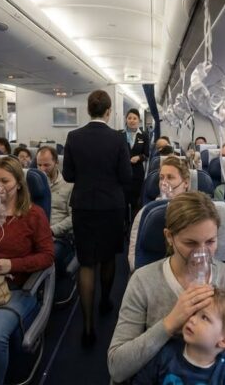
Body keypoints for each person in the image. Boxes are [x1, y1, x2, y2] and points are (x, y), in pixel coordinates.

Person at [108, 192, 225, 383]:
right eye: (191, 243)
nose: (202, 252)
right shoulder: (143, 280)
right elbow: (117, 367)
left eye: (211, 242)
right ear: (169, 237)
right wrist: (170, 323)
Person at [63, 90, 131, 347]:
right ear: (108, 111)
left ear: (88, 110)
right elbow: (126, 176)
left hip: (82, 207)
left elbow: (68, 175)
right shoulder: (117, 139)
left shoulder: (73, 137)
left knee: (86, 263)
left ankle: (88, 327)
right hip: (111, 206)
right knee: (108, 257)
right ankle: (105, 301)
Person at [0, 158, 54, 385]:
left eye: (4, 180)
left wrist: (13, 264)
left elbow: (48, 256)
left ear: (18, 183)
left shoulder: (33, 214)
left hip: (18, 288)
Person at [132, 288, 225, 385]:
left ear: (224, 340)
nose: (192, 319)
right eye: (194, 313)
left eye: (204, 318)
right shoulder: (164, 354)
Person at [128, 156, 190, 272]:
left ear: (185, 183)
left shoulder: (196, 211)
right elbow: (133, 254)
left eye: (170, 177)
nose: (164, 183)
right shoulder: (148, 212)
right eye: (161, 178)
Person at [36, 146, 73, 239]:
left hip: (57, 236)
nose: (42, 169)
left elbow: (73, 217)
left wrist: (51, 230)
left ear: (56, 163)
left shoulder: (69, 185)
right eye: (39, 165)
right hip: (34, 234)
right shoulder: (32, 185)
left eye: (46, 165)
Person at [123, 108, 148, 220]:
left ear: (139, 120)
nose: (132, 120)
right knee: (123, 202)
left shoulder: (144, 135)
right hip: (122, 172)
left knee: (135, 202)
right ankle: (123, 226)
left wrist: (139, 157)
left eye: (134, 118)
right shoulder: (120, 135)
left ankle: (133, 225)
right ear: (126, 120)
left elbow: (146, 154)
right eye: (129, 118)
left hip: (137, 172)